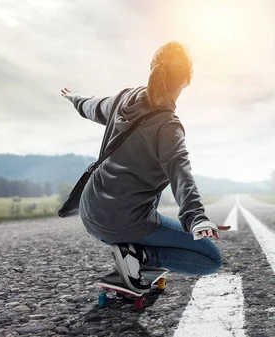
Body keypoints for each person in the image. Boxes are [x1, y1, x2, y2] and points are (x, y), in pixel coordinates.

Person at [60, 41, 230, 292]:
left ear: (152, 68)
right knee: (210, 260)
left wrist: (73, 97)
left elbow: (90, 106)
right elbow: (180, 174)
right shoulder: (168, 126)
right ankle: (139, 256)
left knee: (150, 196)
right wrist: (197, 219)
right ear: (187, 79)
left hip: (91, 214)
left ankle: (134, 253)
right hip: (122, 223)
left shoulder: (124, 99)